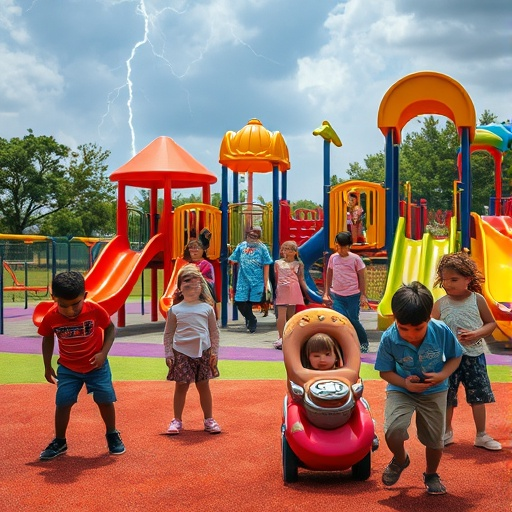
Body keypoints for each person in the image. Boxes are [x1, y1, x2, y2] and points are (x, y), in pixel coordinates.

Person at [375, 282, 462, 495]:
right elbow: (385, 372)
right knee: (393, 430)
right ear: (394, 318)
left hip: (435, 391)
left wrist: (442, 375)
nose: (410, 334)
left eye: (418, 328)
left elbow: (455, 356)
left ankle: (431, 473)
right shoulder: (389, 338)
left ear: (428, 319)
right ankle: (400, 458)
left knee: (435, 439)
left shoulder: (440, 331)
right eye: (403, 328)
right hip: (401, 389)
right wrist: (404, 383)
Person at [37, 271, 125, 460]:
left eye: (75, 304)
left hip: (96, 366)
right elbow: (47, 337)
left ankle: (112, 434)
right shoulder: (51, 316)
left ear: (84, 297)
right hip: (68, 368)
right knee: (63, 402)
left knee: (105, 399)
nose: (70, 311)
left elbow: (110, 328)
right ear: (54, 298)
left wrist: (103, 353)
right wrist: (47, 365)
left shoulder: (94, 309)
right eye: (63, 305)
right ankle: (60, 441)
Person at [432, 252, 502, 451]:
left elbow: (491, 324)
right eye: (445, 280)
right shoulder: (440, 304)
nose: (449, 284)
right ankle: (446, 432)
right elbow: (431, 330)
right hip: (449, 358)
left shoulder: (476, 300)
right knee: (447, 395)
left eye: (454, 279)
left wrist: (476, 334)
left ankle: (481, 434)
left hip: (474, 356)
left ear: (468, 279)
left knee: (478, 396)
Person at [164, 264, 221, 435]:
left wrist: (214, 352)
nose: (191, 287)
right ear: (180, 288)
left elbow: (214, 332)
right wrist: (168, 353)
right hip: (181, 353)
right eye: (187, 284)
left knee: (203, 385)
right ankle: (177, 420)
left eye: (195, 283)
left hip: (203, 352)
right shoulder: (175, 310)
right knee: (181, 386)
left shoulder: (207, 308)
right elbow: (168, 334)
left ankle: (209, 419)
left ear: (201, 286)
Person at [322, 231, 370, 353]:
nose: (340, 249)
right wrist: (326, 293)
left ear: (349, 246)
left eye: (343, 247)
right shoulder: (333, 258)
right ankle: (342, 343)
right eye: (338, 246)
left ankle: (363, 341)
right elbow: (329, 274)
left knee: (353, 319)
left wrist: (363, 294)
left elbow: (362, 276)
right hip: (337, 295)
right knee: (339, 319)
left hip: (353, 295)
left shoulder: (355, 259)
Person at [228, 226, 273, 333]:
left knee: (252, 300)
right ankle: (251, 318)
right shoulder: (241, 246)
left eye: (255, 236)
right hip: (243, 279)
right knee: (239, 301)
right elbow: (233, 259)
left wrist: (266, 281)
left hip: (257, 279)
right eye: (250, 236)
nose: (252, 238)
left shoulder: (262, 248)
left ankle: (250, 321)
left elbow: (267, 263)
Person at [273, 240, 310, 350]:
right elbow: (276, 277)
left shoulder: (298, 264)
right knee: (281, 314)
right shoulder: (278, 263)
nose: (285, 251)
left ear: (295, 252)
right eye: (284, 249)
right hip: (282, 288)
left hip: (294, 288)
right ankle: (281, 336)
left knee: (291, 315)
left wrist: (307, 291)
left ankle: (290, 335)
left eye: (288, 249)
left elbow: (301, 279)